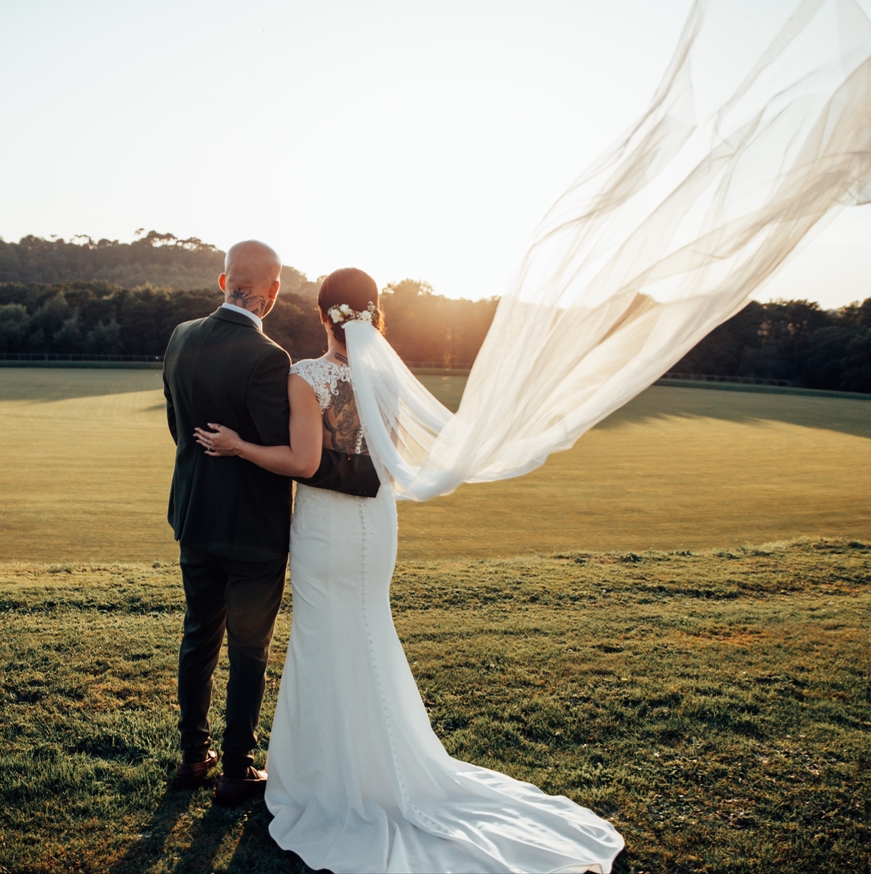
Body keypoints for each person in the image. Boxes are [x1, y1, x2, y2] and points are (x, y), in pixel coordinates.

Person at [196, 268, 625, 872]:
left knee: (324, 638)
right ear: (374, 318)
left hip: (326, 527)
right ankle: (385, 765)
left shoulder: (306, 376)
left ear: (323, 316)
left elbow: (303, 460)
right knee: (369, 630)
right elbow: (384, 458)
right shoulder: (384, 380)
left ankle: (332, 779)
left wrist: (238, 446)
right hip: (377, 522)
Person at [161, 241, 380, 809]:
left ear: (222, 281)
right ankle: (236, 770)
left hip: (194, 517)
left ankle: (192, 757)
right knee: (250, 650)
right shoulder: (269, 358)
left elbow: (177, 427)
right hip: (254, 532)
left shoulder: (180, 337)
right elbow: (287, 449)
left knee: (197, 637)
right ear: (274, 291)